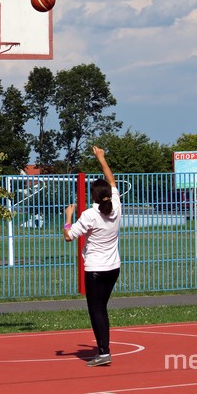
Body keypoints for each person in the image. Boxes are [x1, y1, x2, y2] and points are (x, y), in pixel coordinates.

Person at [63, 146, 121, 367]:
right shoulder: (116, 206)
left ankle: (104, 352)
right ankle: (104, 349)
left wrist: (68, 217)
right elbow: (112, 181)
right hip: (113, 268)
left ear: (94, 196)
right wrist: (102, 159)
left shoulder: (89, 215)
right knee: (101, 308)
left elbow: (69, 236)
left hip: (96, 270)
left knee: (96, 310)